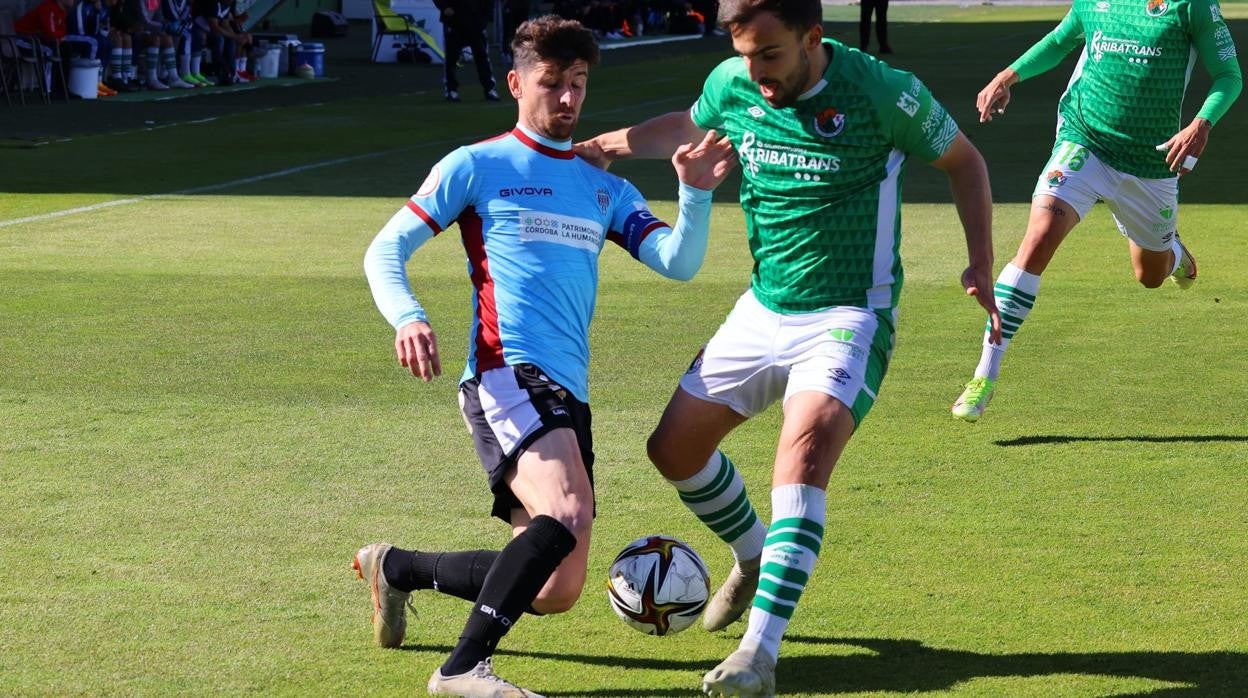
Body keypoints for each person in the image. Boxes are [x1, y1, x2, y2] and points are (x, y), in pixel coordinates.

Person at [577, 0, 999, 692]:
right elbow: (689, 126)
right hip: (762, 307)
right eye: (744, 55)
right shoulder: (734, 82)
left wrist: (980, 262)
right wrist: (608, 146)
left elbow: (965, 161)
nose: (755, 72)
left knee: (800, 459)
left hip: (849, 315)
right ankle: (752, 554)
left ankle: (758, 654)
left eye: (769, 55)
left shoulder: (883, 93)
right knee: (673, 450)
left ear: (812, 38)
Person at [356, 15, 736, 698]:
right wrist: (409, 316)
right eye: (551, 82)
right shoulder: (477, 164)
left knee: (555, 587)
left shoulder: (602, 186)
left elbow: (678, 262)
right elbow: (386, 249)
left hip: (567, 392)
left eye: (578, 84)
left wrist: (696, 193)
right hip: (506, 372)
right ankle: (461, 672)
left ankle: (397, 568)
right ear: (516, 83)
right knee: (566, 509)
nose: (567, 98)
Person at [950, 0, 1242, 423]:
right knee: (1038, 238)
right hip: (1084, 141)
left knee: (1150, 276)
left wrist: (1202, 123)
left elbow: (1229, 75)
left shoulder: (1191, 5)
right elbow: (1061, 40)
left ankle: (1175, 255)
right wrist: (1008, 75)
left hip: (1151, 162)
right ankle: (983, 376)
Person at [433, 0, 498, 102]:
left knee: (482, 57)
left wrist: (486, 17)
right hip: (454, 21)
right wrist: (444, 7)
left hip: (476, 21)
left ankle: (490, 89)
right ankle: (451, 90)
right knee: (451, 58)